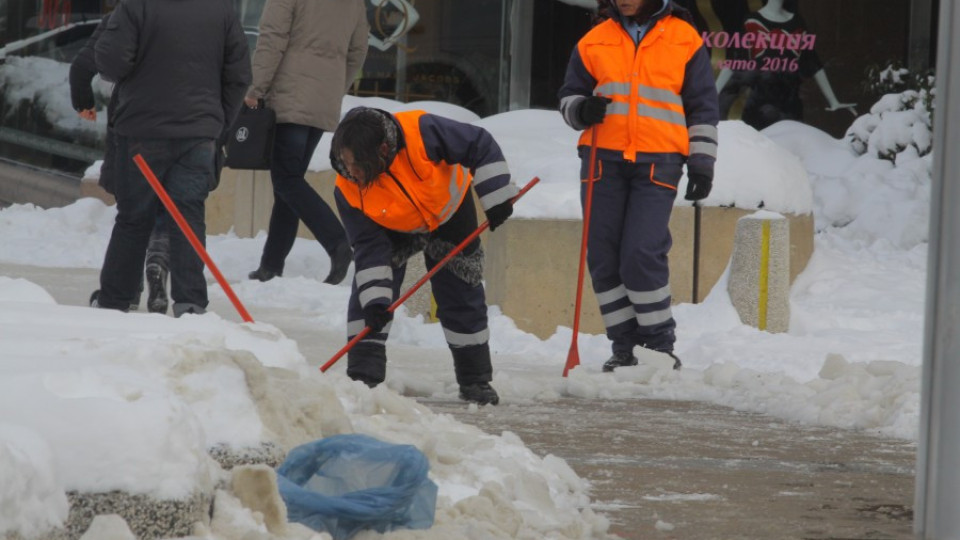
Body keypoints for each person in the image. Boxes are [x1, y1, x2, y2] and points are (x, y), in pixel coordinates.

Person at [558, 0, 719, 371]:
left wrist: (702, 162)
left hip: (659, 161)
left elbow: (702, 106)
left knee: (641, 252)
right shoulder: (594, 40)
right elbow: (568, 96)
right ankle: (624, 346)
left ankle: (658, 345)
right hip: (602, 161)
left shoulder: (684, 38)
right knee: (603, 256)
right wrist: (581, 109)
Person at [329, 107, 518, 405]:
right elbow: (368, 247)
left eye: (357, 165)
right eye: (345, 161)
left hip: (449, 210)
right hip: (391, 227)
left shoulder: (421, 130)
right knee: (370, 298)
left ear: (382, 150)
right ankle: (362, 376)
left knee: (461, 290)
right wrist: (377, 303)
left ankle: (475, 380)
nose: (350, 171)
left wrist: (496, 198)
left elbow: (479, 143)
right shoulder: (348, 189)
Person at [90, 0, 251, 317]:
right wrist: (216, 124)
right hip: (197, 132)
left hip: (141, 129)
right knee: (188, 216)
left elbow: (110, 63)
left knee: (134, 217)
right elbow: (239, 76)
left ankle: (116, 299)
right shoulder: (221, 10)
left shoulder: (137, 6)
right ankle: (190, 302)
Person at [244, 0, 369, 285]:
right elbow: (358, 50)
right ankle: (271, 265)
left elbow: (272, 39)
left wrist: (256, 87)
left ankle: (337, 243)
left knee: (287, 179)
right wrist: (335, 86)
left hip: (291, 94)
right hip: (322, 97)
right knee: (289, 182)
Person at [71, 13, 171, 314]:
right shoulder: (204, 13)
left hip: (135, 121)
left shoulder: (127, 12)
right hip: (188, 123)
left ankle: (126, 290)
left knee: (133, 210)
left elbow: (83, 65)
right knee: (168, 201)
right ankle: (158, 260)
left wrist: (83, 100)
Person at [714, 0, 856, 130]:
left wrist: (833, 101)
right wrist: (713, 93)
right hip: (760, 105)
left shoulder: (797, 22)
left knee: (789, 151)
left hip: (790, 105)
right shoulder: (752, 21)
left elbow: (812, 62)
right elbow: (734, 60)